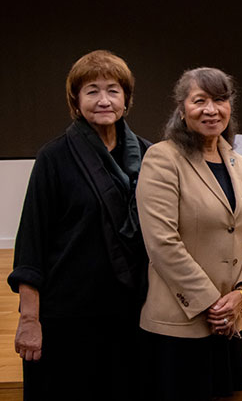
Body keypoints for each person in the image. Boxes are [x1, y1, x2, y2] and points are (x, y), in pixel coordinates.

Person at [7, 50, 150, 400]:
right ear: (76, 100)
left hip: (132, 313)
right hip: (68, 316)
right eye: (92, 91)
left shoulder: (149, 155)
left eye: (113, 90)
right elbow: (31, 243)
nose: (104, 100)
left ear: (126, 99)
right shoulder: (54, 157)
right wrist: (29, 320)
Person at [136, 67, 242, 400]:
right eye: (200, 100)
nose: (211, 109)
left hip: (229, 326)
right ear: (182, 109)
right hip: (181, 325)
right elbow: (162, 244)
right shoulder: (162, 159)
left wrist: (241, 295)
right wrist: (213, 306)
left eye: (220, 100)